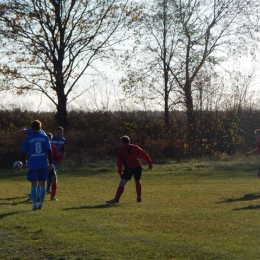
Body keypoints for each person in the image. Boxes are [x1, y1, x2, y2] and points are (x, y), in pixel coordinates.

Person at [106, 135, 153, 204]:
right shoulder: (135, 147)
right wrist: (149, 162)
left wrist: (120, 172)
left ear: (122, 142)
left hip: (129, 167)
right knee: (137, 181)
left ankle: (116, 199)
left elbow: (119, 162)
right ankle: (139, 198)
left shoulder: (121, 150)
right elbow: (144, 154)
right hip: (138, 166)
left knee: (122, 183)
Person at [21, 120, 54, 210]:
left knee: (34, 185)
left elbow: (23, 152)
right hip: (43, 163)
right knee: (43, 184)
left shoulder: (28, 138)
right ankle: (41, 204)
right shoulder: (45, 137)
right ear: (40, 127)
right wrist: (51, 163)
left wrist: (24, 162)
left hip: (33, 164)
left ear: (31, 128)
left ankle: (34, 204)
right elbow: (49, 151)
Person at [46, 126, 66, 194]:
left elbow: (63, 149)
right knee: (50, 175)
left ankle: (47, 189)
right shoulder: (52, 139)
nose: (59, 133)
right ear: (55, 132)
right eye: (58, 132)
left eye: (61, 132)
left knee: (52, 175)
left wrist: (62, 156)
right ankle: (46, 189)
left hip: (56, 159)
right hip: (50, 158)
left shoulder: (63, 139)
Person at [46, 132, 62, 201]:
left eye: (49, 139)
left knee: (54, 178)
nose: (48, 140)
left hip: (51, 166)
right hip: (43, 166)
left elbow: (56, 157)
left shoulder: (53, 147)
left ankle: (52, 197)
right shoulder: (43, 147)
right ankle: (37, 195)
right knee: (41, 181)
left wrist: (61, 155)